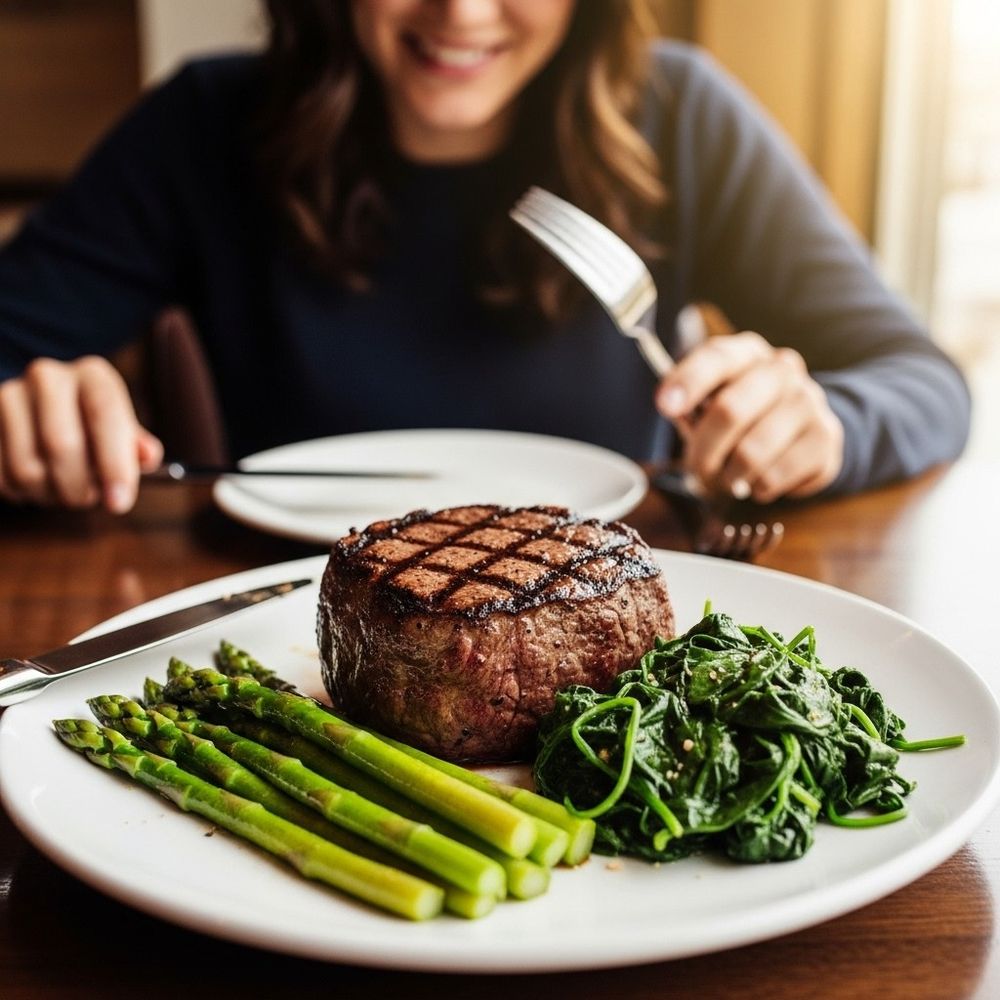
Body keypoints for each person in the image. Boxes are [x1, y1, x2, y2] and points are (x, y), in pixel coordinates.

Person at [0, 0, 970, 514]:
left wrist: (825, 424)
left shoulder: (681, 116)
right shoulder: (203, 125)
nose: (463, 11)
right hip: (277, 624)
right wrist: (30, 414)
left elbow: (924, 383)